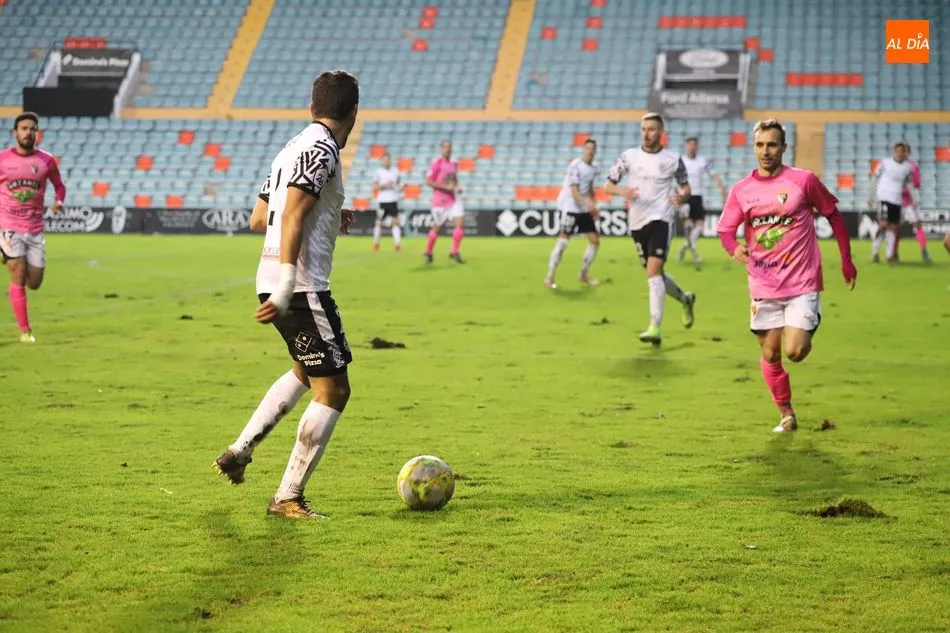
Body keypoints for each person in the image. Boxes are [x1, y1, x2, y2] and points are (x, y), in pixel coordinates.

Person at [213, 70, 360, 520]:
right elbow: (292, 215)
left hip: (274, 278)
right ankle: (288, 497)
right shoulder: (323, 149)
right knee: (334, 389)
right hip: (299, 285)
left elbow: (260, 218)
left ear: (312, 107)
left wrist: (329, 215)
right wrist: (285, 284)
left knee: (306, 369)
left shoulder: (291, 147)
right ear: (354, 112)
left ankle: (240, 450)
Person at [717, 118, 857, 433]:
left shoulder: (804, 181)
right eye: (760, 145)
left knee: (795, 351)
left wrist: (846, 261)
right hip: (762, 282)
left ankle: (811, 318)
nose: (765, 151)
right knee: (770, 353)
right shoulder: (741, 190)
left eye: (772, 145)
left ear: (783, 147)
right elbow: (725, 230)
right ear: (754, 147)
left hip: (801, 282)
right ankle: (786, 414)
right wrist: (733, 248)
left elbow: (834, 215)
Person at [605, 112, 696, 346]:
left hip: (662, 217)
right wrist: (623, 192)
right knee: (654, 273)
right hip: (637, 221)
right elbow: (608, 186)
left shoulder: (673, 159)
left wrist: (682, 196)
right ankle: (685, 298)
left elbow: (686, 187)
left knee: (654, 269)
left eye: (652, 129)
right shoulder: (629, 156)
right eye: (643, 129)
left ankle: (654, 327)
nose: (646, 134)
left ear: (661, 133)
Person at [0, 112, 66, 343]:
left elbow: (59, 185)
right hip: (8, 225)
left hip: (35, 228)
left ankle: (7, 258)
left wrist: (59, 201)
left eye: (32, 129)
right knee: (18, 272)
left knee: (34, 282)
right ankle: (25, 331)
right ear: (15, 133)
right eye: (24, 128)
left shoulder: (46, 161)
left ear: (37, 133)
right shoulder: (2, 160)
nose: (28, 132)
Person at [545, 138, 601, 288]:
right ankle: (549, 277)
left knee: (595, 241)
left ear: (595, 151)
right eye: (587, 148)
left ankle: (583, 274)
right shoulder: (575, 166)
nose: (590, 151)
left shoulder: (594, 168)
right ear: (583, 149)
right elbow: (574, 192)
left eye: (592, 149)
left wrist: (594, 205)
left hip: (583, 208)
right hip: (570, 207)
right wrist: (588, 204)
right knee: (563, 242)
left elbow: (590, 188)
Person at [677, 136, 728, 267]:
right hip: (685, 196)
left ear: (697, 146)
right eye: (690, 145)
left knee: (700, 225)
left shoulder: (703, 161)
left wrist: (722, 188)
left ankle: (684, 248)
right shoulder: (681, 161)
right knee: (688, 226)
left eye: (694, 145)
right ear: (686, 146)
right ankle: (694, 254)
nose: (692, 147)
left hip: (698, 195)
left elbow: (714, 174)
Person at [868, 142, 917, 265]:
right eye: (898, 151)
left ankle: (889, 255)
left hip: (896, 200)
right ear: (894, 152)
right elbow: (874, 178)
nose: (900, 153)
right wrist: (871, 196)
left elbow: (909, 184)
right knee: (883, 225)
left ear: (905, 153)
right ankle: (875, 252)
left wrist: (914, 199)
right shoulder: (885, 163)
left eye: (902, 151)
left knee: (894, 227)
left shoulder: (908, 167)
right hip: (884, 197)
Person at [423, 140, 464, 264]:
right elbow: (428, 181)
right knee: (436, 228)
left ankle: (454, 251)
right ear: (441, 149)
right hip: (439, 202)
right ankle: (429, 251)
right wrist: (445, 187)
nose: (448, 149)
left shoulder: (454, 163)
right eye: (445, 147)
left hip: (452, 200)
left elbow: (454, 178)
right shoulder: (437, 163)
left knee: (460, 223)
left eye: (449, 147)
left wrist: (458, 186)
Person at [371, 152, 404, 252]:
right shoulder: (378, 172)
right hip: (383, 201)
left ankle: (397, 245)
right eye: (384, 160)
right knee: (379, 222)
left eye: (388, 159)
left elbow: (399, 184)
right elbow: (374, 187)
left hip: (393, 199)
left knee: (395, 222)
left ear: (390, 160)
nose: (386, 161)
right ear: (382, 161)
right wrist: (383, 185)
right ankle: (376, 244)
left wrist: (401, 187)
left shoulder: (396, 171)